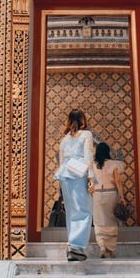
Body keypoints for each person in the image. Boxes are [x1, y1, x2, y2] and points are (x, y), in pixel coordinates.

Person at [54, 109, 94, 261]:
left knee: (72, 211)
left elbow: (61, 160)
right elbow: (88, 156)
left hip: (65, 174)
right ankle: (76, 246)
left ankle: (73, 244)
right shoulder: (87, 135)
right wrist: (91, 178)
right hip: (79, 173)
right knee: (84, 210)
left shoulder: (65, 139)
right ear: (83, 119)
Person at [91, 142, 125, 258]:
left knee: (99, 221)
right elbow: (118, 182)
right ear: (107, 151)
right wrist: (122, 196)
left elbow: (90, 183)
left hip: (97, 195)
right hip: (110, 194)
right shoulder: (114, 164)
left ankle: (102, 247)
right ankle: (110, 249)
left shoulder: (93, 165)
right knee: (111, 221)